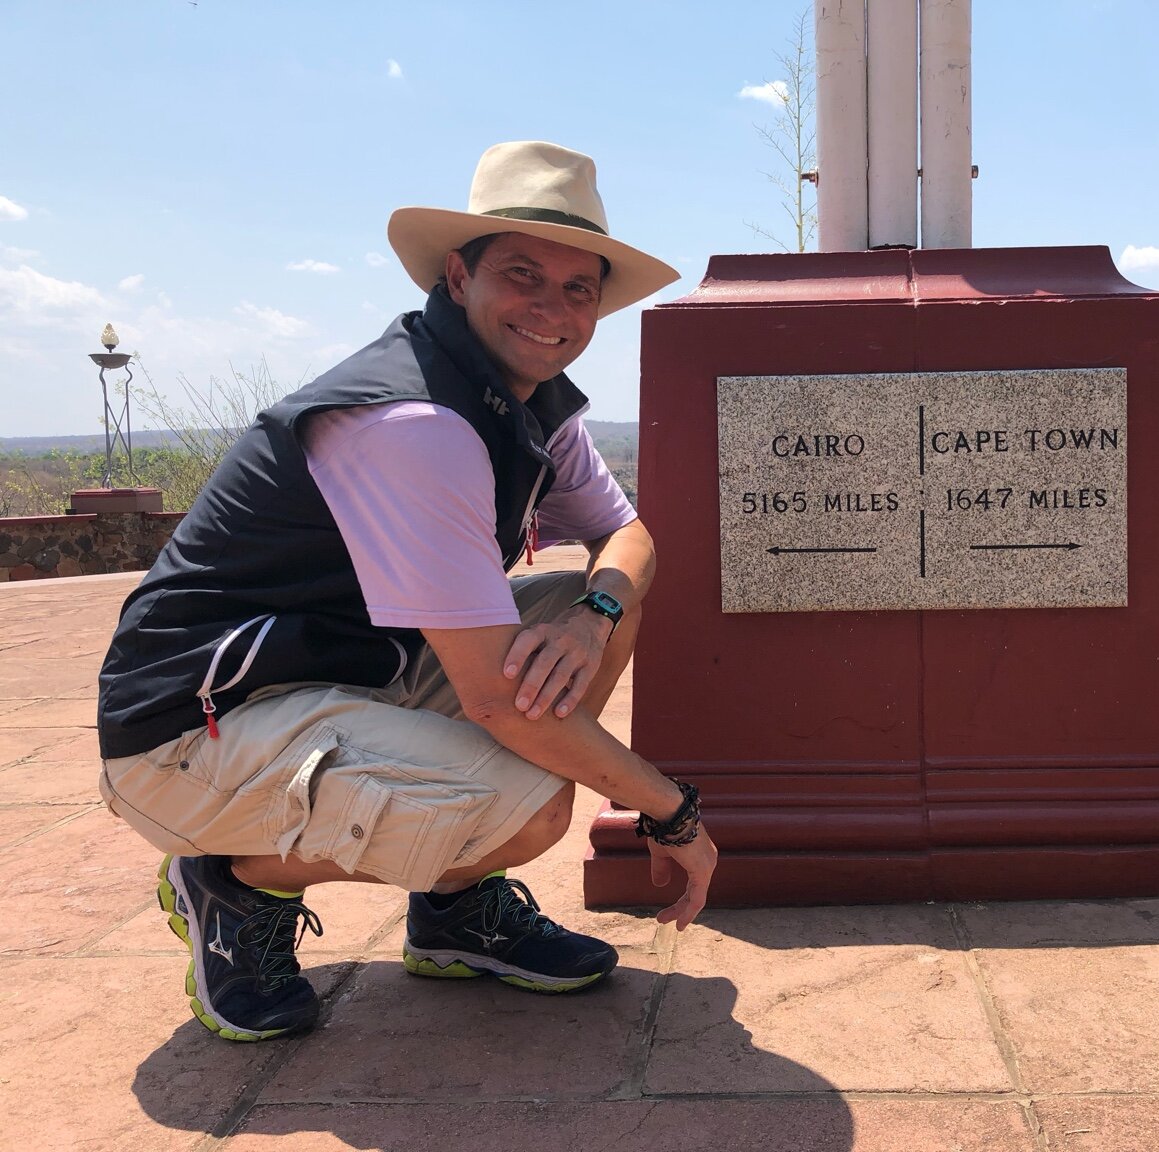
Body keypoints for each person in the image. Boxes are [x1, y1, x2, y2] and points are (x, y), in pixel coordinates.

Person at [96, 141, 717, 1043]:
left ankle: (452, 908)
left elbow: (631, 535)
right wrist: (671, 808)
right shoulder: (416, 422)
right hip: (191, 730)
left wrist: (596, 614)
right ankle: (232, 883)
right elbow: (501, 704)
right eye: (522, 274)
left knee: (559, 615)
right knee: (535, 802)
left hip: (332, 674)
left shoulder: (520, 398)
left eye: (578, 288)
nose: (553, 309)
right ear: (459, 277)